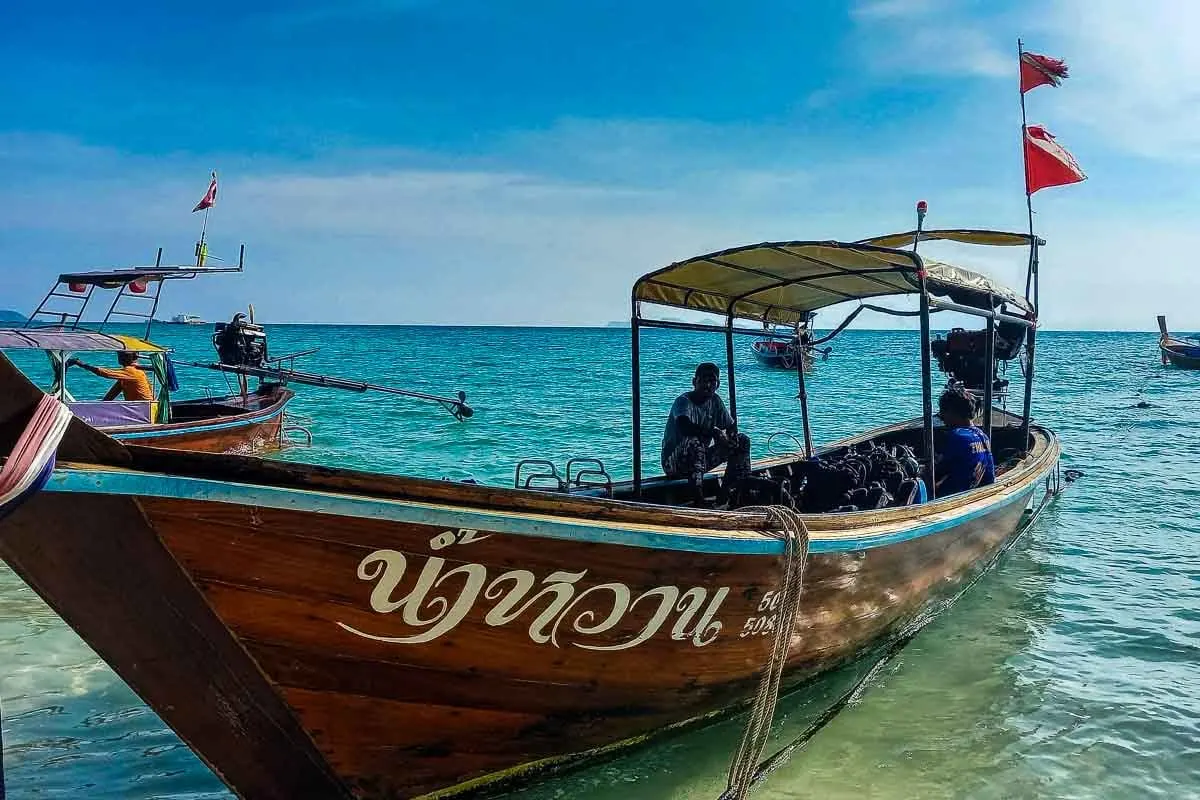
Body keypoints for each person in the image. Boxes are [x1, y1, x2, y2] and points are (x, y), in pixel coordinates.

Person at [661, 362, 751, 504]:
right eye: (703, 381)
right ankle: (698, 499)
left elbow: (730, 425)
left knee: (742, 440)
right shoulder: (683, 402)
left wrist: (730, 438)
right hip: (674, 463)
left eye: (712, 381)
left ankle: (729, 491)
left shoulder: (715, 401)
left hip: (699, 461)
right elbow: (684, 426)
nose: (708, 385)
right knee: (694, 441)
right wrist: (714, 433)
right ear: (694, 382)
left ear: (717, 384)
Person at [935, 386, 995, 496]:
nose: (941, 417)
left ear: (953, 412)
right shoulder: (983, 436)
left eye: (943, 411)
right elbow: (990, 477)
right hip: (977, 494)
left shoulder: (957, 436)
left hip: (951, 497)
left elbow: (936, 472)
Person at [67, 351, 154, 401]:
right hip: (142, 406)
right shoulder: (131, 373)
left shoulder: (131, 371)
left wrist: (80, 364)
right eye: (120, 355)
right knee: (120, 385)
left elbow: (105, 373)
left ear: (132, 357)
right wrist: (102, 405)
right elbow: (113, 393)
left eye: (124, 355)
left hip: (143, 407)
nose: (120, 357)